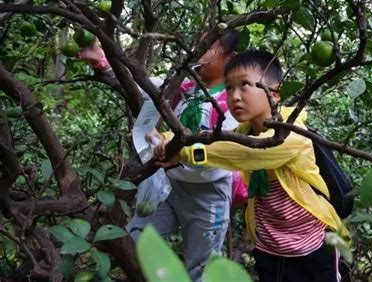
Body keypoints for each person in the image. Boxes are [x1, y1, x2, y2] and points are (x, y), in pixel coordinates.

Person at [154, 49, 350, 282]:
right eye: (229, 88)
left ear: (275, 92)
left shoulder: (292, 133)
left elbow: (250, 153)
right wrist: (169, 138)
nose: (234, 96)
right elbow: (213, 140)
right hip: (269, 249)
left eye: (245, 84)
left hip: (313, 249)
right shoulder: (243, 132)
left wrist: (184, 151)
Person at [78, 30, 245, 282]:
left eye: (208, 48)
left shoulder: (233, 101)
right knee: (135, 237)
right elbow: (141, 84)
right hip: (170, 188)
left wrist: (178, 151)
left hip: (207, 196)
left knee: (202, 267)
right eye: (198, 45)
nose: (198, 53)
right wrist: (103, 60)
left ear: (231, 57)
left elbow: (224, 151)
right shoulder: (184, 87)